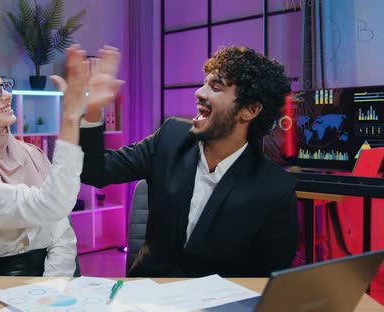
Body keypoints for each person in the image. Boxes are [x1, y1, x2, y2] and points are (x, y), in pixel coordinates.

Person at [79, 46, 299, 277]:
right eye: (205, 83)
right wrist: (93, 110)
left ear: (250, 110)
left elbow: (268, 281)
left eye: (215, 87)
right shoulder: (170, 138)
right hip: (148, 296)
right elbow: (94, 170)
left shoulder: (275, 189)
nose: (199, 93)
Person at [0, 45, 120, 276]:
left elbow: (61, 228)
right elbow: (49, 204)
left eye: (4, 86)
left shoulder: (32, 155)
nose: (6, 95)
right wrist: (72, 116)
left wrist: (49, 292)